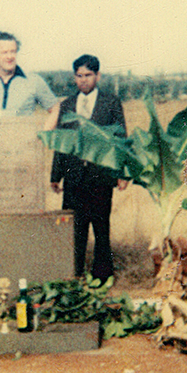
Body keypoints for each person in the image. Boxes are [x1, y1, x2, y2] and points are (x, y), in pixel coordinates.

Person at [51, 54, 129, 280]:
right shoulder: (66, 105)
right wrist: (55, 175)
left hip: (101, 176)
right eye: (79, 75)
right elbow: (60, 142)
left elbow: (120, 138)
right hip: (73, 177)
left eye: (88, 75)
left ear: (98, 75)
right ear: (74, 77)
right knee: (76, 228)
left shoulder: (111, 102)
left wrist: (121, 173)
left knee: (101, 226)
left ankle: (103, 275)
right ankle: (74, 274)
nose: (83, 80)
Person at [0, 31, 60, 122]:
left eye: (13, 51)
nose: (9, 57)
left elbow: (55, 108)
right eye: (4, 52)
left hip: (24, 135)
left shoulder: (34, 81)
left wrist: (46, 131)